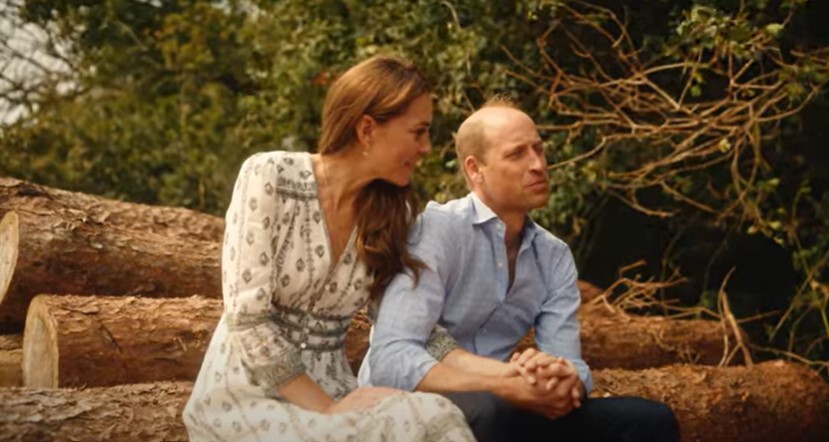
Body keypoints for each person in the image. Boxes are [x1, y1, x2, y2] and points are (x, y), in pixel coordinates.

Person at [183, 54, 475, 442]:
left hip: (336, 394)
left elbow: (403, 318)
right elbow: (247, 317)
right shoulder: (269, 175)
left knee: (437, 415)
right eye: (417, 132)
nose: (426, 148)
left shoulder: (394, 210)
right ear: (367, 129)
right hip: (242, 396)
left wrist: (500, 376)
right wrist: (325, 407)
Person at [359, 97, 680, 442]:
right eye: (517, 154)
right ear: (474, 169)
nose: (538, 164)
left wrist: (564, 376)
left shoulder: (553, 256)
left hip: (507, 405)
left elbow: (568, 359)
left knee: (648, 420)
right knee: (487, 410)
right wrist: (502, 381)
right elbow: (391, 357)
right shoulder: (436, 231)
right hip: (412, 410)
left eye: (538, 150)